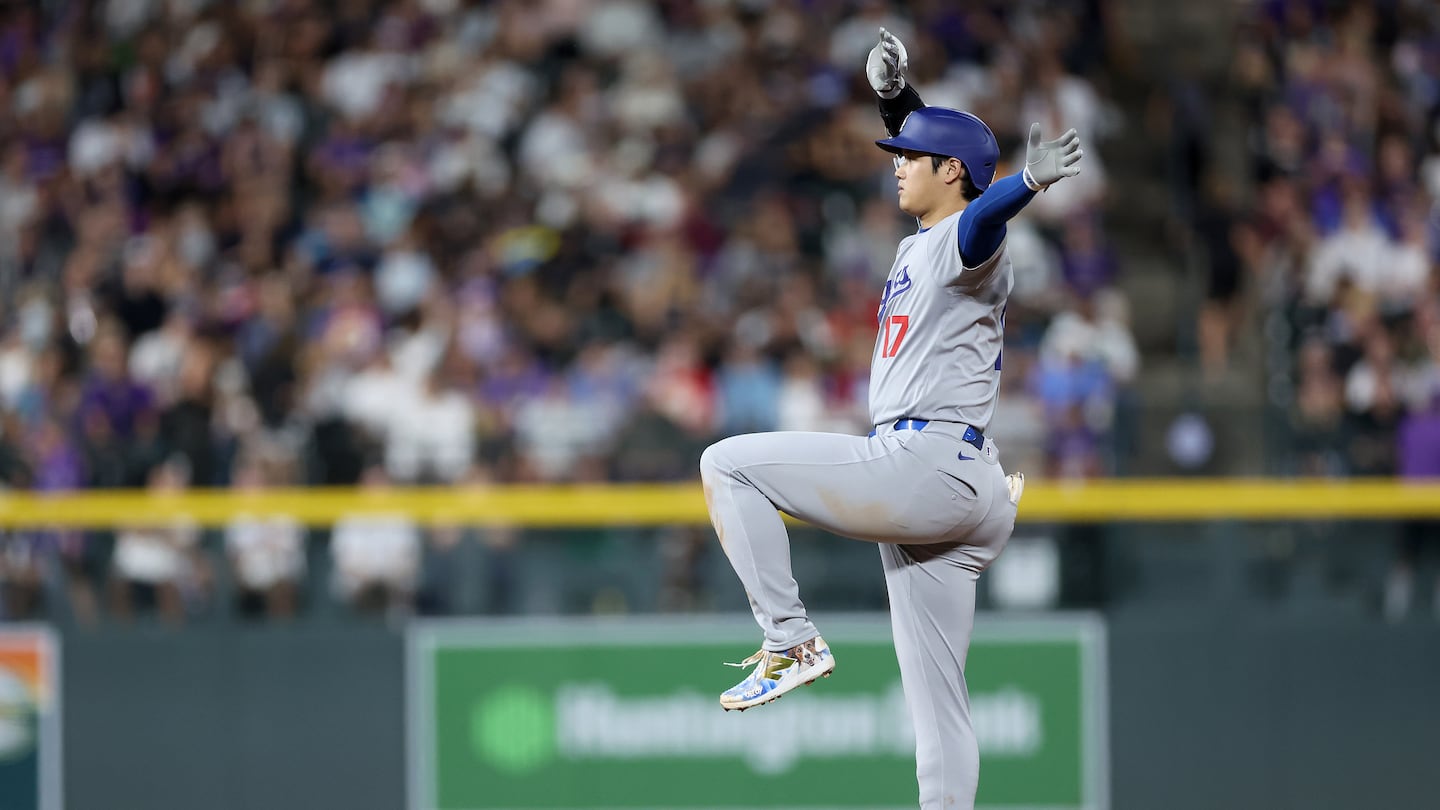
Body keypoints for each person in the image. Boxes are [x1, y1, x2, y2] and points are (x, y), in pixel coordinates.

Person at [698, 29, 1082, 810]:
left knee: (726, 464)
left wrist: (1024, 185)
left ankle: (789, 639)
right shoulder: (927, 234)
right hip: (961, 488)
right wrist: (894, 97)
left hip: (926, 465)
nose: (896, 166)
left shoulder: (962, 240)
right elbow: (945, 162)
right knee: (939, 705)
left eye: (908, 157)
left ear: (952, 174)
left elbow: (980, 220)